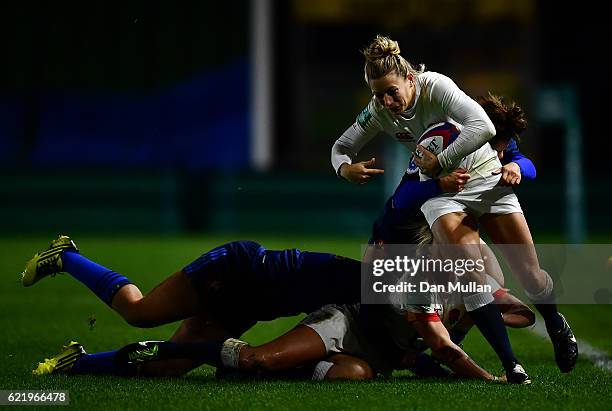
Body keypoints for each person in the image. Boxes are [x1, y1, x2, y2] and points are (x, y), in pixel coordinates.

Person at [330, 35, 577, 378]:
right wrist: (345, 168)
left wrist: (441, 160)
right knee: (472, 277)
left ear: (411, 80)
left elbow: (484, 126)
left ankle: (555, 323)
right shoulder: (376, 112)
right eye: (378, 94)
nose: (386, 101)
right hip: (444, 194)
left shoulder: (437, 86)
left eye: (392, 91)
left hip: (484, 178)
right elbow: (340, 147)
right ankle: (512, 365)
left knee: (531, 276)